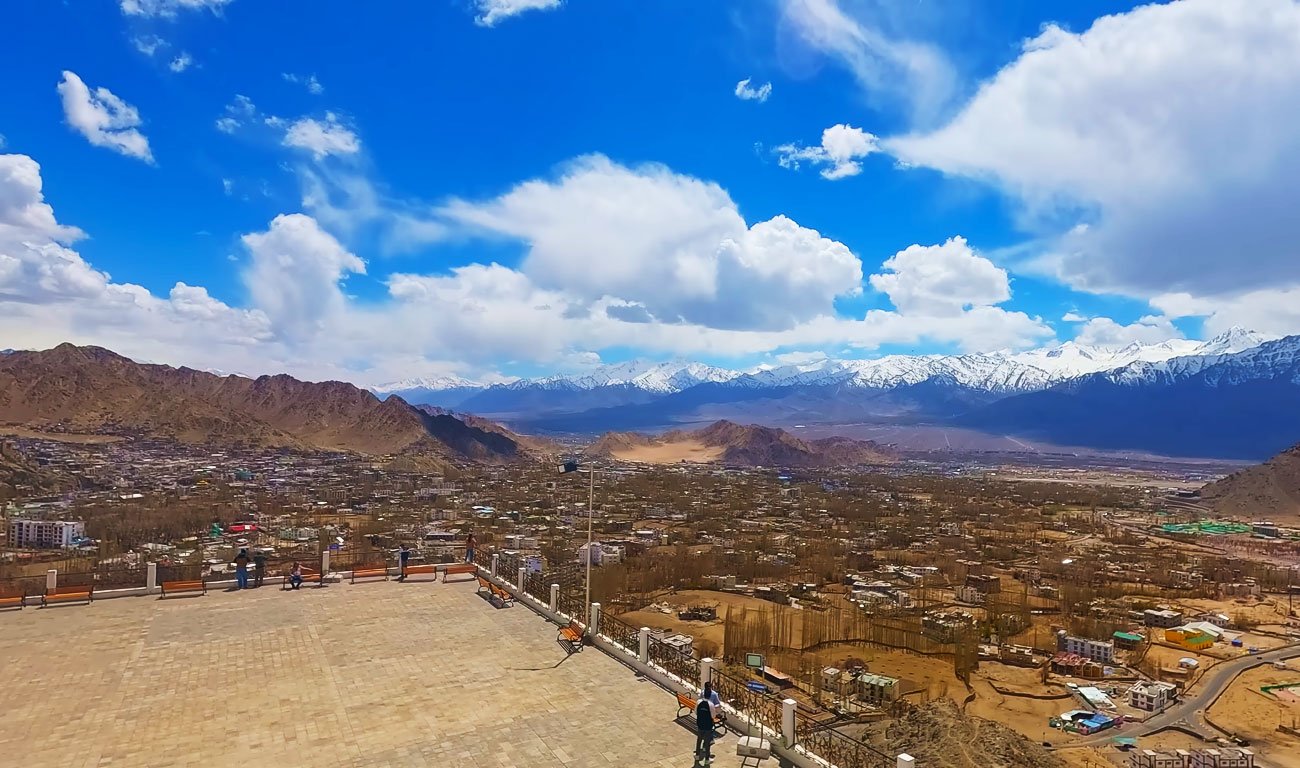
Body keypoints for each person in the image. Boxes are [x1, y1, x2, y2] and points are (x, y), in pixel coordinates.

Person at [695, 681, 719, 762]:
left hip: (700, 723)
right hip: (708, 725)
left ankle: (697, 755)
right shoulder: (711, 705)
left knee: (699, 740)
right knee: (707, 741)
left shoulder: (699, 702)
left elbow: (696, 712)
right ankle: (707, 759)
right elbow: (713, 716)